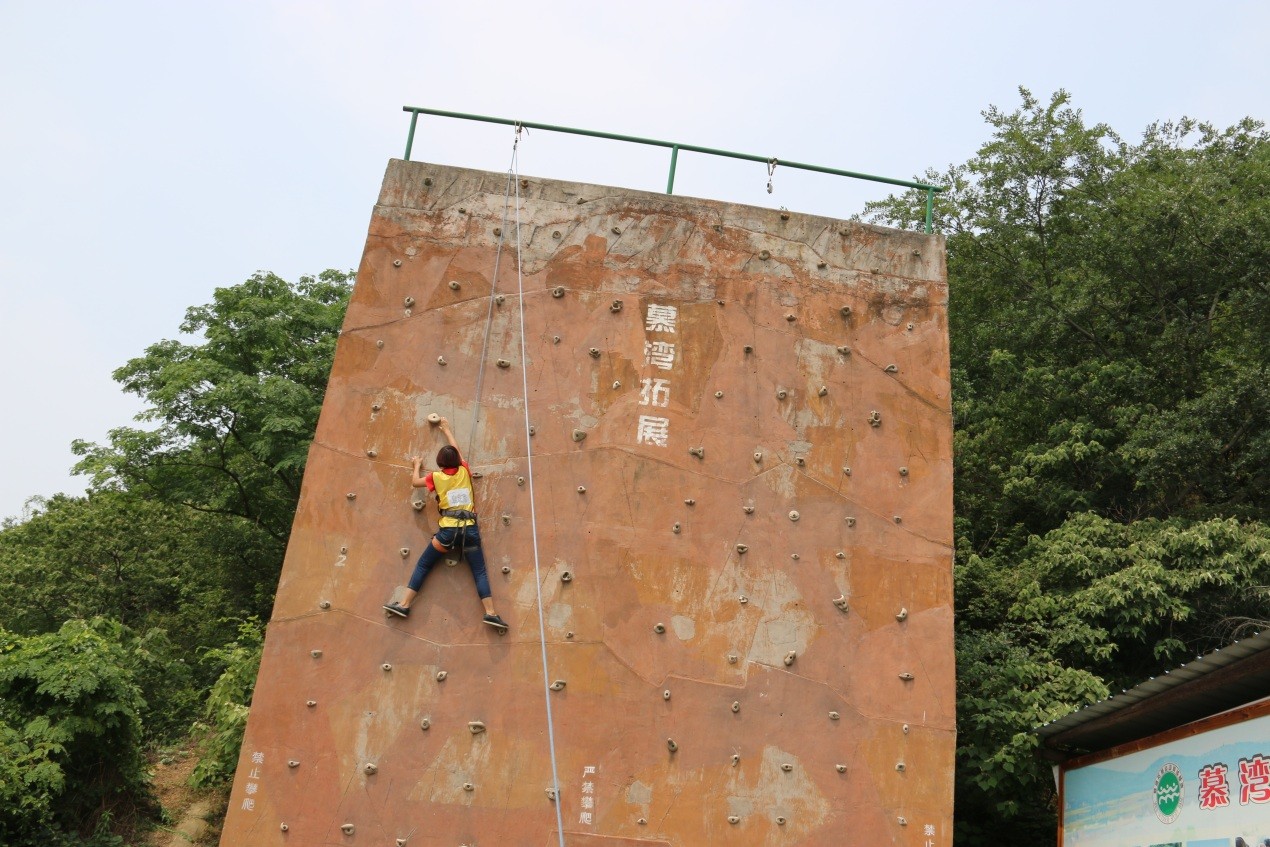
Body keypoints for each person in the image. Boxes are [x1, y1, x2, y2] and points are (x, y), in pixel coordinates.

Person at [383, 417, 508, 631]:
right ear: (458, 461)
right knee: (479, 571)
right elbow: (457, 450)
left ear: (440, 463)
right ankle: (491, 613)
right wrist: (447, 430)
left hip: (448, 532)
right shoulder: (464, 470)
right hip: (469, 530)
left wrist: (416, 465)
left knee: (424, 564)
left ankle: (404, 605)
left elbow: (415, 482)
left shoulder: (436, 477)